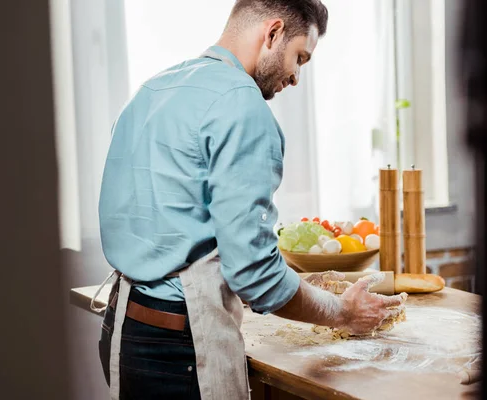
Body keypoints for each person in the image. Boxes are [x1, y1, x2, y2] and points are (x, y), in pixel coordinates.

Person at [95, 1, 406, 399]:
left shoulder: (154, 89)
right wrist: (342, 312)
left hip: (125, 330)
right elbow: (254, 275)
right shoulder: (242, 106)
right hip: (180, 349)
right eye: (299, 58)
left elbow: (175, 231)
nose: (295, 77)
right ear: (273, 32)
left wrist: (300, 284)